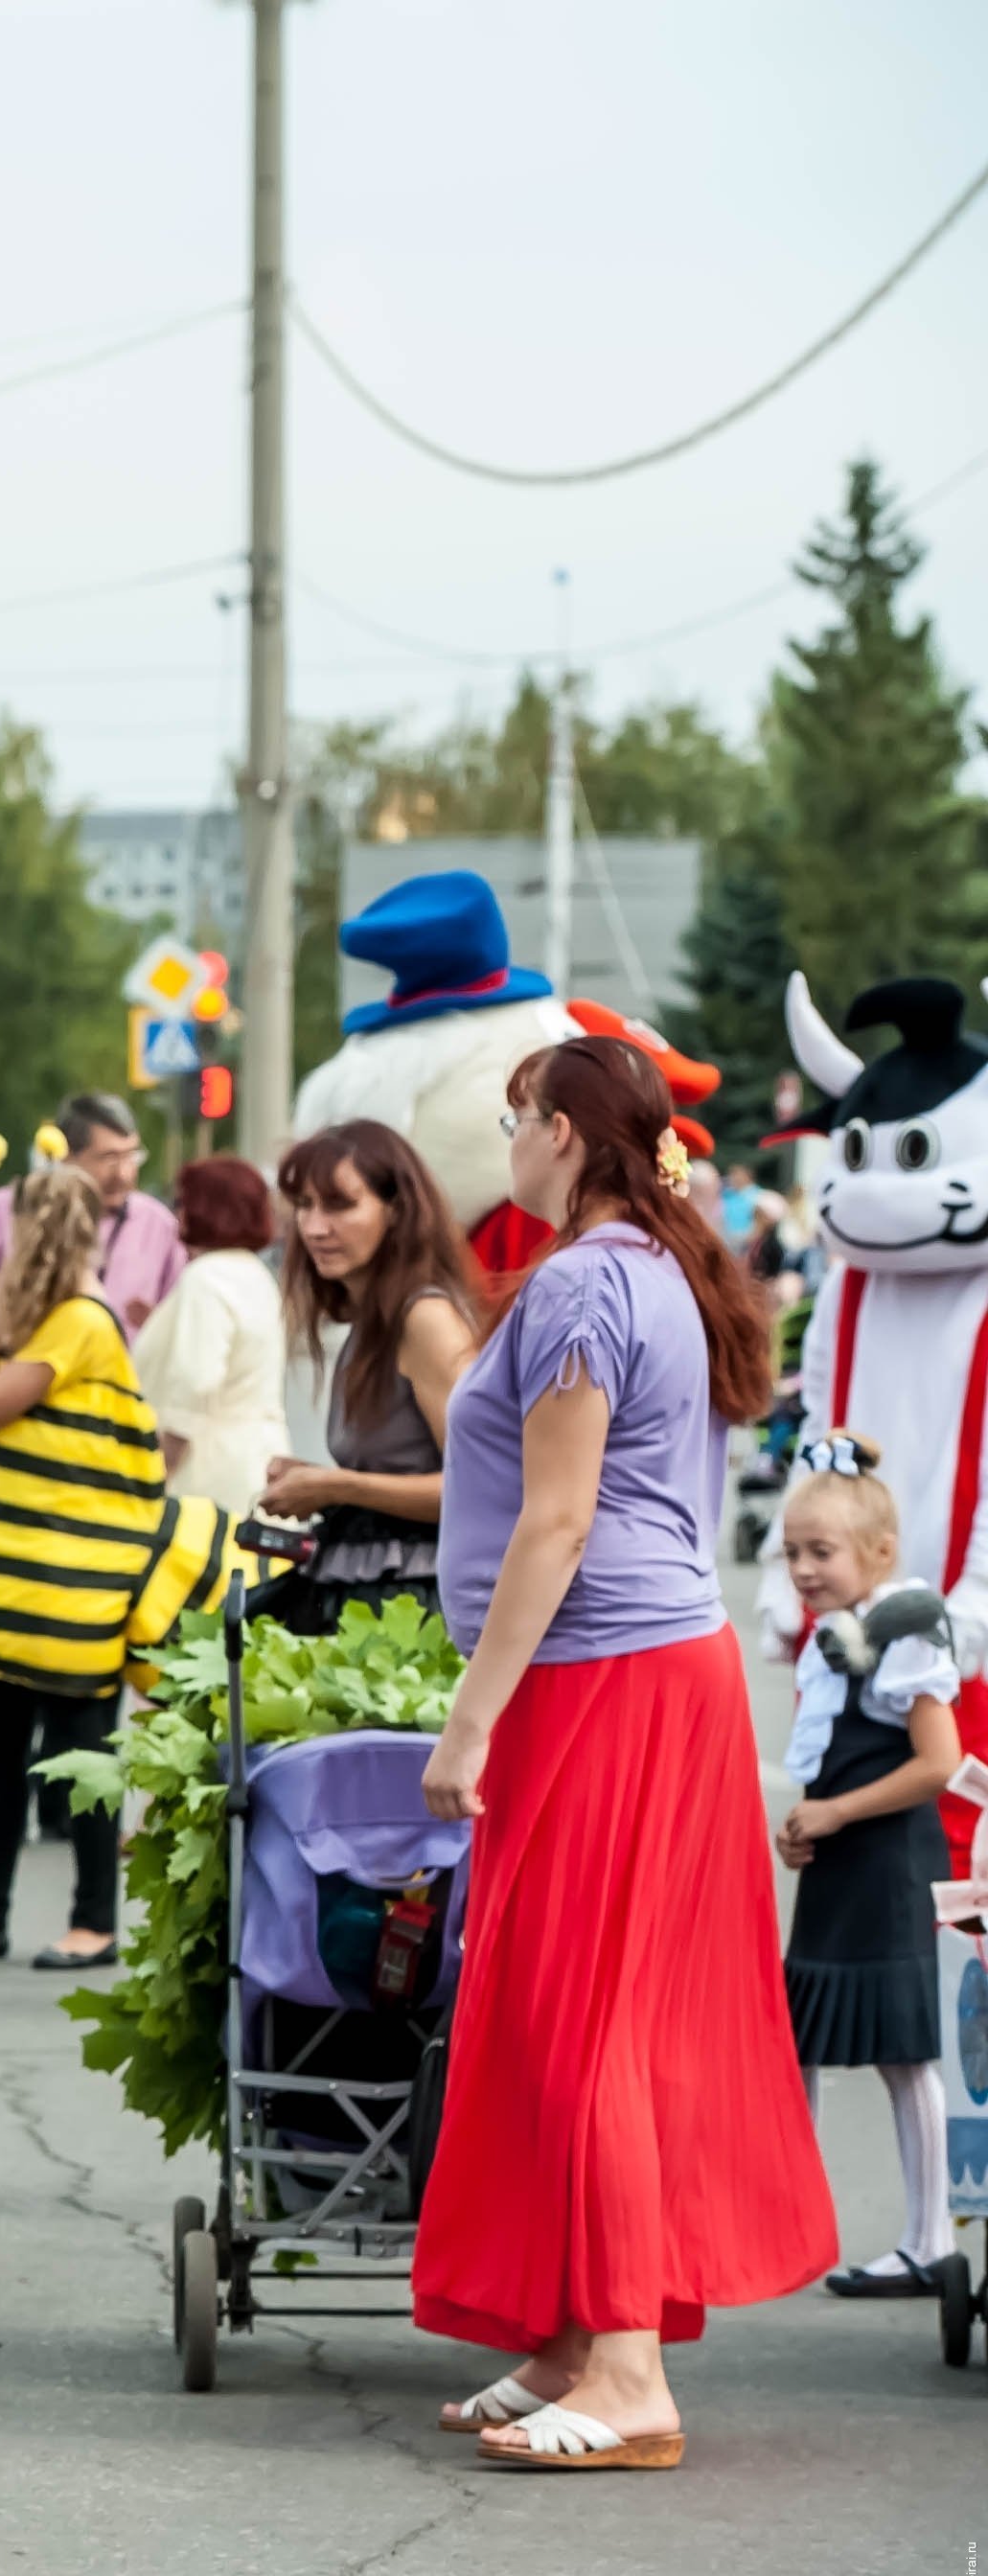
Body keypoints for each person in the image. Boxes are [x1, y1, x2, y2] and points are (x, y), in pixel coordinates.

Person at [415, 1033, 834, 2470]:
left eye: (519, 1117)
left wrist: (473, 1709)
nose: (508, 1140)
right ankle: (580, 2339)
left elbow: (560, 1518)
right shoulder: (654, 1268)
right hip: (648, 1671)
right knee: (566, 2012)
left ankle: (632, 2368)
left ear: (570, 1138)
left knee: (590, 2018)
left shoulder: (591, 1277)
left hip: (608, 1677)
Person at [0, 1166, 168, 1968]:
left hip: (69, 1582)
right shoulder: (60, 1315)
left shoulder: (78, 1320)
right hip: (27, 1580)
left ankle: (94, 1919)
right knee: (1, 1739)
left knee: (81, 1750)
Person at [770, 1437, 966, 2299]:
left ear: (881, 1554)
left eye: (822, 1552)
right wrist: (804, 1828)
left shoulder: (906, 1632)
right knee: (802, 2042)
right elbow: (831, 1758)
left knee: (902, 2050)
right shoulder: (828, 1640)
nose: (804, 1570)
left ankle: (930, 2240)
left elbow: (938, 1763)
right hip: (841, 1863)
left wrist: (839, 1811)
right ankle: (788, 2224)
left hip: (889, 1862)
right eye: (792, 1553)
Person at [258, 1121, 479, 1637]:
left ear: (396, 1210)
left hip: (414, 1617)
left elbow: (478, 1487)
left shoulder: (424, 1318)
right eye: (305, 1206)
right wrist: (318, 1484)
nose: (313, 1228)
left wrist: (338, 1484)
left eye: (339, 1206)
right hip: (375, 1606)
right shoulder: (376, 1320)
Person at [0, 1092, 186, 1360]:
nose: (124, 1173)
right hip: (16, 1397)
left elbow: (184, 1324)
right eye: (109, 1158)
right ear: (65, 1154)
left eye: (132, 1156)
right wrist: (3, 1346)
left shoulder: (158, 1225)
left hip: (121, 1397)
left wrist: (157, 1328)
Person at [129, 1157, 286, 1522]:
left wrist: (159, 1471)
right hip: (256, 1463)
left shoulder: (205, 1279)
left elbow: (194, 1382)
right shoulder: (254, 1274)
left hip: (206, 1476)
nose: (177, 1212)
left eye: (183, 1201)